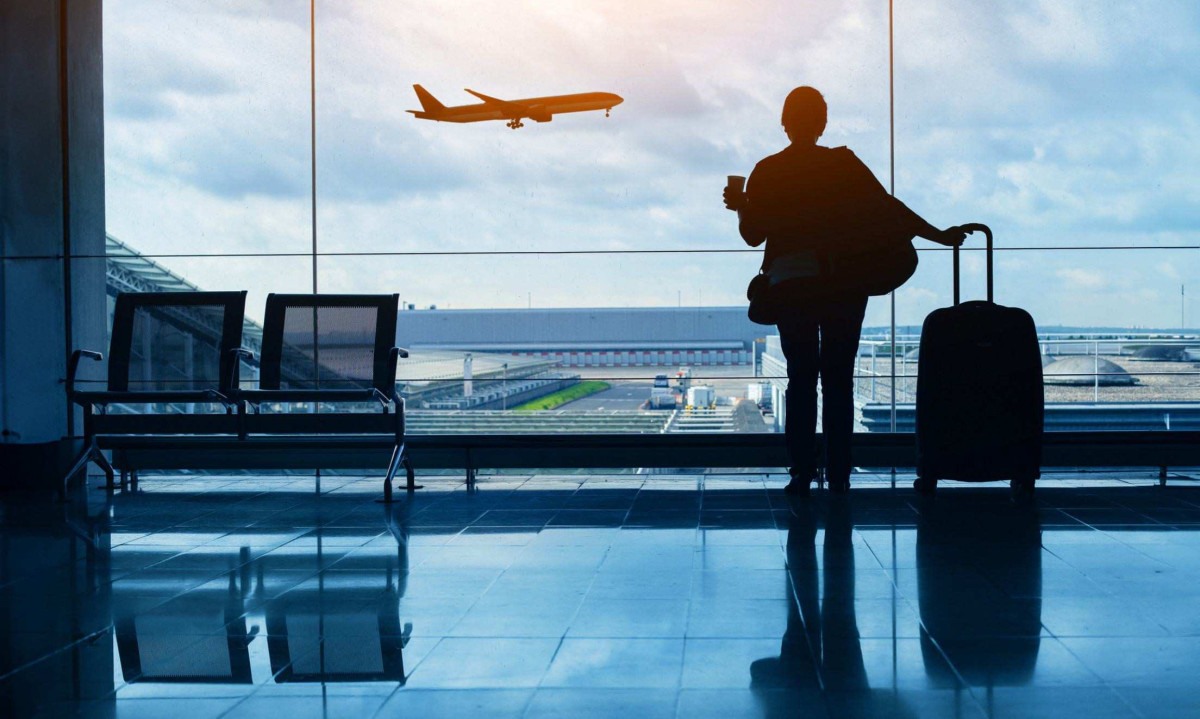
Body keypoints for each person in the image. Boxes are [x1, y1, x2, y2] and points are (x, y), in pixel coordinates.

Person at [724, 86, 965, 495]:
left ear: (784, 123)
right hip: (842, 285)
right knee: (839, 379)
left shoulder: (767, 170)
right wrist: (937, 235)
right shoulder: (843, 164)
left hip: (792, 285)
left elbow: (752, 236)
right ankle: (839, 472)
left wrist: (742, 204)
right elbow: (888, 207)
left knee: (801, 379)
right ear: (822, 123)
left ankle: (801, 472)